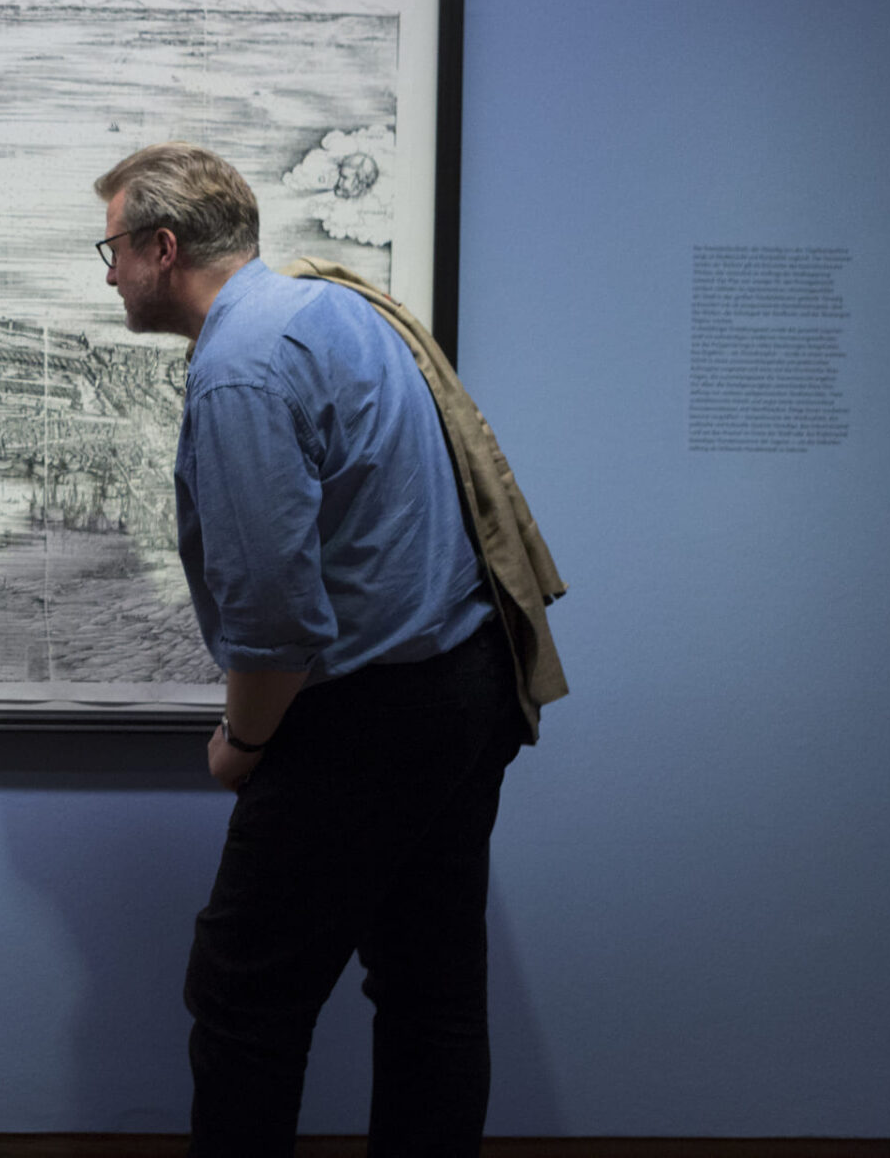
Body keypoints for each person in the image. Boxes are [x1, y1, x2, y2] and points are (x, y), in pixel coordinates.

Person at [92, 142, 564, 1158]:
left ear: (163, 248)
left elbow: (275, 617)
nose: (110, 273)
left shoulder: (239, 369)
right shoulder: (337, 308)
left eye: (114, 248)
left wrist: (243, 744)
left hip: (363, 719)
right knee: (432, 988)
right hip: (465, 683)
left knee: (243, 1000)